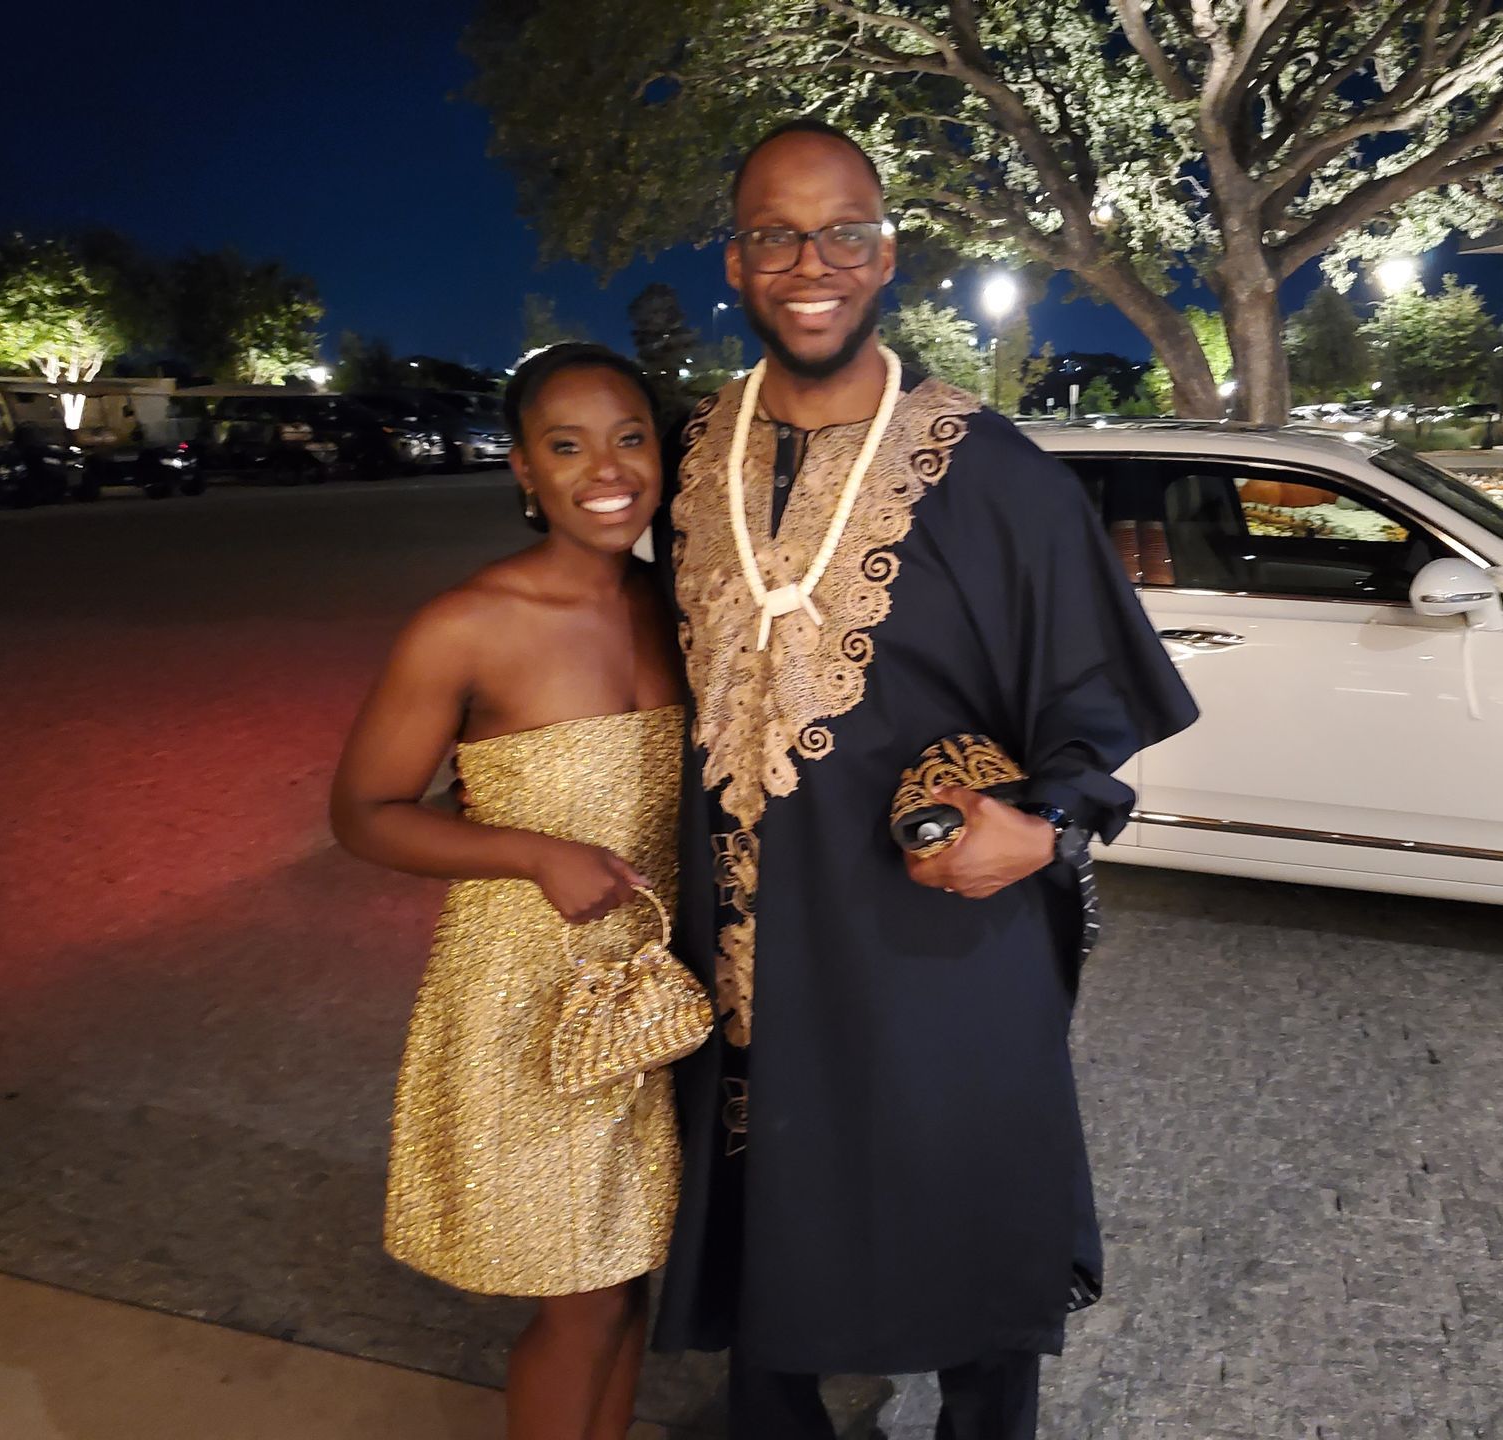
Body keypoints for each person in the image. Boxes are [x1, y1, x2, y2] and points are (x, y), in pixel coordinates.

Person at [649, 120, 1200, 1439]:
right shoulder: (694, 456)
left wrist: (1046, 827)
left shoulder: (992, 471)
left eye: (844, 233)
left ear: (887, 255)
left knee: (966, 1228)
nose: (812, 265)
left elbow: (1092, 702)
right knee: (773, 1242)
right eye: (777, 236)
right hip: (752, 961)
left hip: (935, 943)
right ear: (735, 261)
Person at [329, 344, 688, 1440]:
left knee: (628, 1279)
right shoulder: (467, 624)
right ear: (524, 470)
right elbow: (365, 812)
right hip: (529, 1000)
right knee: (582, 1300)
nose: (606, 470)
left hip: (658, 1000)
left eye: (630, 438)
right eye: (567, 446)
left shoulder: (677, 608)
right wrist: (531, 852)